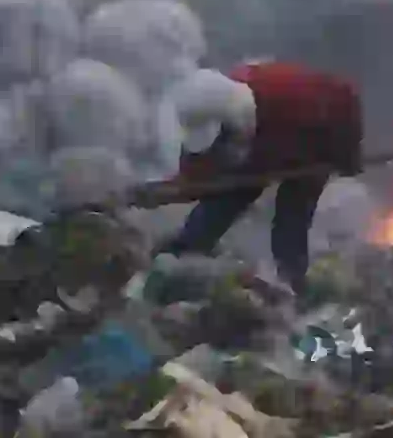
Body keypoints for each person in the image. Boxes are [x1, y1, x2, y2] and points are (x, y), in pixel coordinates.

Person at [144, 62, 363, 293]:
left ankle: (291, 280)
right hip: (260, 149)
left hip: (309, 145)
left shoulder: (292, 95)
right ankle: (185, 252)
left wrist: (348, 154)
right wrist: (181, 185)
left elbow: (346, 98)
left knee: (293, 215)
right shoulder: (208, 106)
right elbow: (198, 164)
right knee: (226, 197)